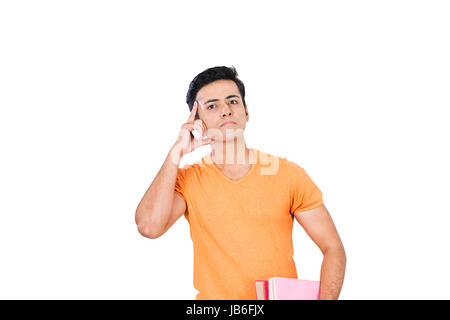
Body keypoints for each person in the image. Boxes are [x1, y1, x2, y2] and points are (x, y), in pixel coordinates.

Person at [135, 66, 346, 300]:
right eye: (212, 106)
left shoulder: (288, 174)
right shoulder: (188, 181)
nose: (226, 110)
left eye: (233, 102)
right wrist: (176, 152)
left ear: (246, 112)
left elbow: (332, 248)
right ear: (197, 121)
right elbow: (149, 227)